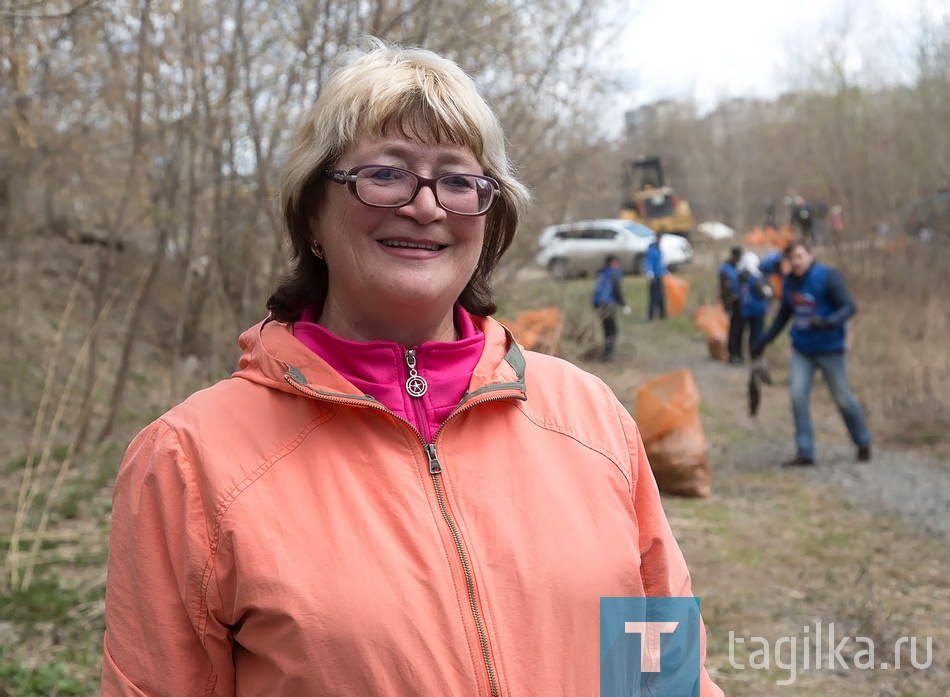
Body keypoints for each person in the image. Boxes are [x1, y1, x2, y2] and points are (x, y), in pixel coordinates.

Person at [100, 41, 722, 696]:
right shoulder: (189, 462)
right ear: (313, 214)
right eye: (387, 174)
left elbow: (665, 677)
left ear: (489, 219)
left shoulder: (590, 418)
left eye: (458, 180)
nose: (426, 206)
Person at [751, 240, 871, 467]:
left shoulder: (828, 277)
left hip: (830, 349)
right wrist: (765, 340)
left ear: (810, 255)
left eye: (800, 256)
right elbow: (784, 315)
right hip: (802, 350)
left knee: (843, 399)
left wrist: (827, 322)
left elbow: (848, 306)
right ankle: (805, 452)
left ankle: (862, 441)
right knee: (797, 396)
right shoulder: (789, 283)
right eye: (791, 259)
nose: (796, 262)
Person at [592, 254, 630, 361]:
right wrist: (624, 304)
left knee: (607, 329)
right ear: (613, 263)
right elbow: (617, 290)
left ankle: (606, 354)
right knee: (612, 330)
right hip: (607, 305)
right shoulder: (614, 273)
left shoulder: (601, 273)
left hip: (597, 304)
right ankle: (608, 356)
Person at [736, 251, 771, 355]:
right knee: (756, 334)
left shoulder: (742, 276)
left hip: (746, 308)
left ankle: (741, 353)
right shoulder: (756, 277)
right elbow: (763, 292)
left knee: (744, 333)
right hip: (757, 309)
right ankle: (755, 355)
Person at [719, 245, 744, 364]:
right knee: (734, 329)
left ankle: (739, 353)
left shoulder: (738, 267)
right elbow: (724, 288)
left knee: (740, 329)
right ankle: (732, 353)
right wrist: (726, 304)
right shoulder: (725, 269)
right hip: (732, 302)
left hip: (740, 301)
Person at [645, 238, 667, 320]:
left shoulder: (658, 250)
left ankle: (662, 314)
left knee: (661, 297)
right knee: (654, 297)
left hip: (659, 276)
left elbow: (660, 263)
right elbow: (650, 262)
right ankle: (652, 316)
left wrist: (664, 271)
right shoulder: (652, 251)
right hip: (654, 277)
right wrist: (650, 272)